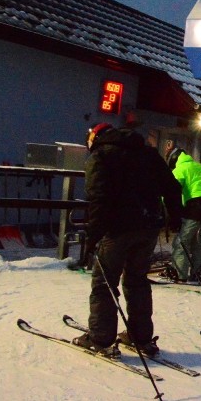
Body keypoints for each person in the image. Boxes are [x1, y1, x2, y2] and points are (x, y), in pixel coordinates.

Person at [72, 123, 183, 358]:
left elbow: (98, 199)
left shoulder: (101, 157)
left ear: (94, 138)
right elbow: (172, 187)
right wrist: (175, 218)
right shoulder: (148, 153)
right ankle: (140, 337)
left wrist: (93, 237)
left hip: (118, 229)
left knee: (104, 283)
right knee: (137, 280)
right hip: (148, 226)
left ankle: (100, 338)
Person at [159, 146, 201, 284]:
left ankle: (179, 274)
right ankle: (198, 274)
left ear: (173, 159)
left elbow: (171, 192)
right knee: (199, 243)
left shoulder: (180, 170)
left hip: (194, 210)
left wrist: (165, 208)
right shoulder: (199, 167)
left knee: (181, 243)